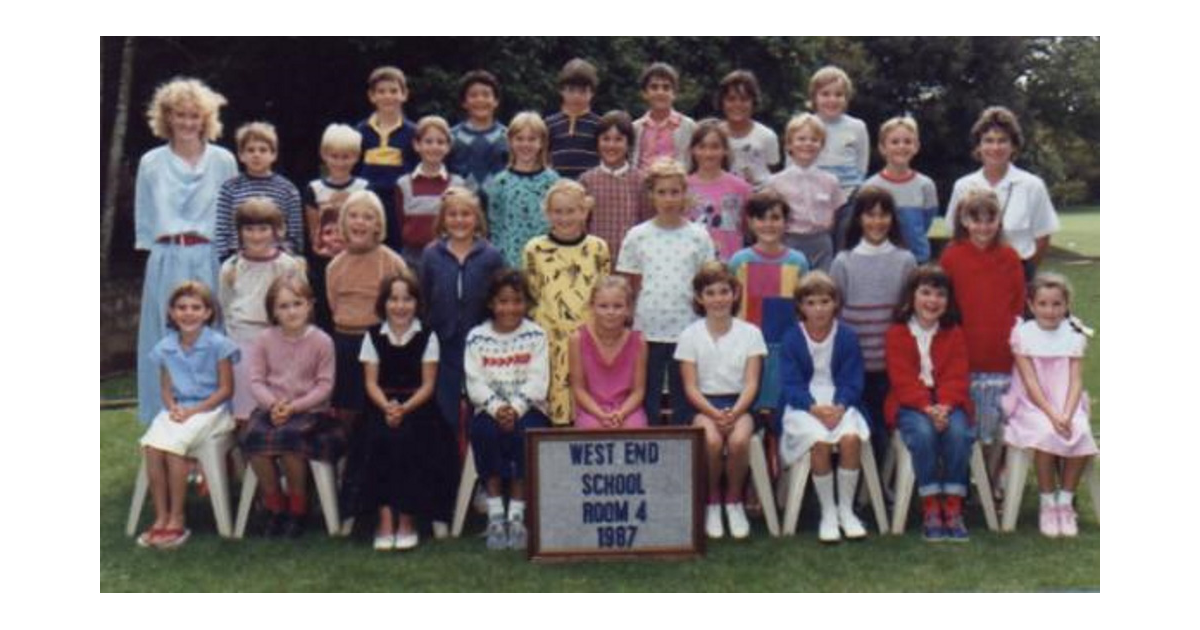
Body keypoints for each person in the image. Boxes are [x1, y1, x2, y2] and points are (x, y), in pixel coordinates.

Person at [134, 77, 238, 425]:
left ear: (205, 118)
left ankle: (215, 429)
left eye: (195, 115)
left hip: (209, 256)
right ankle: (164, 426)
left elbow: (233, 216)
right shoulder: (151, 162)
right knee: (166, 339)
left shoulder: (223, 160)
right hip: (167, 257)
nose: (188, 122)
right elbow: (146, 220)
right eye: (180, 115)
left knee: (214, 339)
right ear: (167, 117)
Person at [359, 272, 458, 550]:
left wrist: (403, 408)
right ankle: (385, 519)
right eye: (393, 299)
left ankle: (406, 519)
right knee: (379, 440)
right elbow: (370, 382)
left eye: (407, 299)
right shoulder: (372, 336)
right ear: (384, 303)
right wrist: (387, 407)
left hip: (418, 406)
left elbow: (428, 385)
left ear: (417, 303)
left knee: (410, 441)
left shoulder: (427, 336)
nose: (400, 306)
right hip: (381, 404)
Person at [136, 281, 238, 549]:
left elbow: (226, 389)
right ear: (171, 312)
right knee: (152, 448)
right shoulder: (166, 347)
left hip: (211, 411)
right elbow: (166, 388)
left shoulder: (219, 345)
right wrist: (174, 407)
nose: (188, 313)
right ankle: (161, 515)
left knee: (173, 449)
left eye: (196, 307)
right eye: (181, 307)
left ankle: (178, 518)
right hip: (179, 410)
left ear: (207, 313)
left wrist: (193, 410)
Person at [240, 275, 342, 538]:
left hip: (310, 411)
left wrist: (294, 407)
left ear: (309, 305)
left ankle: (298, 507)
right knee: (254, 439)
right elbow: (256, 379)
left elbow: (324, 386)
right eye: (283, 306)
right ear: (273, 311)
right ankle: (274, 505)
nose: (291, 311)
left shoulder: (322, 341)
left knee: (290, 441)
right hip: (271, 408)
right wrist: (274, 404)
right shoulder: (264, 339)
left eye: (297, 304)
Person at [616, 158, 717, 425]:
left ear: (685, 194)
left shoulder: (698, 236)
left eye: (675, 192)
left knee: (683, 397)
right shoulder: (638, 235)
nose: (669, 199)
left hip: (687, 328)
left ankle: (683, 456)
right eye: (662, 192)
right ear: (651, 196)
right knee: (647, 395)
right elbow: (630, 285)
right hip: (647, 328)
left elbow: (706, 283)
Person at [940, 187, 1026, 491]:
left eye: (990, 219)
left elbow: (1017, 304)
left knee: (996, 423)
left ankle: (992, 479)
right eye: (975, 219)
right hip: (965, 354)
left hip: (1001, 354)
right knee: (967, 422)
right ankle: (962, 477)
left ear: (999, 221)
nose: (983, 226)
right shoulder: (952, 257)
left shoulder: (1009, 257)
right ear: (963, 220)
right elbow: (945, 305)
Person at [1001, 273, 1098, 538]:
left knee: (1080, 431)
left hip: (1067, 402)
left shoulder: (1074, 332)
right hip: (1033, 404)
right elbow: (1030, 381)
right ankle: (1047, 502)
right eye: (1043, 304)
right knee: (1045, 433)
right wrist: (1052, 414)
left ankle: (1064, 501)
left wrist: (1066, 412)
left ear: (1066, 305)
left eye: (1057, 304)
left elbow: (1076, 379)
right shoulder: (1022, 334)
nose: (1050, 310)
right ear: (1031, 306)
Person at [778, 271, 871, 542]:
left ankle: (846, 509)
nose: (818, 309)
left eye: (824, 302)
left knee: (851, 439)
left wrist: (840, 406)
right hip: (803, 405)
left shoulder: (847, 337)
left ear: (835, 304)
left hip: (841, 401)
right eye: (811, 303)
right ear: (800, 307)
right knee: (818, 441)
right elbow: (790, 384)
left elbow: (853, 379)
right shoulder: (792, 338)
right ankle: (828, 511)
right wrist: (813, 408)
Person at [675, 262, 766, 539]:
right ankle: (712, 500)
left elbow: (752, 383)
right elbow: (690, 388)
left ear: (735, 294)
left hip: (740, 405)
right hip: (704, 406)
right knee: (712, 441)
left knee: (739, 441)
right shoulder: (690, 335)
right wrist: (715, 415)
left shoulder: (751, 333)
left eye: (724, 291)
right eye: (710, 293)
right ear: (700, 298)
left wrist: (735, 412)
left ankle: (734, 499)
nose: (718, 299)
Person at [884, 265, 974, 542]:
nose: (932, 301)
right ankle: (931, 502)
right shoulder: (897, 333)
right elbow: (902, 379)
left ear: (948, 301)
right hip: (911, 403)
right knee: (923, 433)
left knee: (959, 433)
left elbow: (957, 375)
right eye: (925, 292)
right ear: (911, 296)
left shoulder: (954, 333)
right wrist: (927, 407)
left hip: (949, 402)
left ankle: (953, 504)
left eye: (940, 294)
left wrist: (944, 406)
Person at [829, 186, 917, 466]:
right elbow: (835, 312)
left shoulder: (905, 260)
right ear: (858, 219)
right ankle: (855, 483)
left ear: (892, 219)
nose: (877, 222)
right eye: (870, 215)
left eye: (883, 215)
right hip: (855, 365)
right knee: (858, 424)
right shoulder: (843, 261)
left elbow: (909, 311)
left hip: (892, 363)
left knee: (887, 424)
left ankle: (882, 484)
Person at [464, 269, 551, 550]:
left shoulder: (536, 334)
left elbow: (539, 380)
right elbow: (474, 382)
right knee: (484, 433)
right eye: (503, 301)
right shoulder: (477, 337)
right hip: (489, 409)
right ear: (491, 303)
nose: (510, 308)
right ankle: (495, 515)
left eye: (517, 301)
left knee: (524, 436)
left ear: (525, 303)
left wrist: (514, 408)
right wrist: (497, 408)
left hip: (528, 408)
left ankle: (516, 515)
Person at [522, 180, 611, 425]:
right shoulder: (534, 249)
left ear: (584, 211)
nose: (564, 218)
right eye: (558, 212)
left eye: (571, 211)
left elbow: (604, 295)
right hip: (549, 339)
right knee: (555, 408)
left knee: (589, 404)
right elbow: (531, 295)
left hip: (588, 336)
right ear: (548, 213)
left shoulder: (597, 248)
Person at [421, 187, 506, 432]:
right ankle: (447, 461)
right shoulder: (431, 254)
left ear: (477, 219)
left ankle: (476, 461)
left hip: (480, 340)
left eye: (466, 214)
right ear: (443, 220)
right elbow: (425, 295)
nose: (459, 220)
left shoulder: (490, 255)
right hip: (443, 339)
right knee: (444, 406)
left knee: (478, 403)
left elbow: (496, 298)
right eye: (453, 214)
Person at [217, 197, 305, 422]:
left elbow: (301, 306)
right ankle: (243, 455)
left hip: (279, 344)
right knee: (243, 415)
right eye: (249, 229)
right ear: (239, 232)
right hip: (241, 343)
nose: (256, 236)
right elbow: (225, 305)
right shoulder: (230, 268)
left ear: (276, 231)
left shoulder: (287, 266)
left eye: (263, 229)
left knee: (276, 411)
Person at [946, 106, 1059, 279]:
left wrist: (1024, 272)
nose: (995, 147)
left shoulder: (1033, 185)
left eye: (1003, 140)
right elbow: (956, 234)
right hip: (972, 273)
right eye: (989, 140)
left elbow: (1042, 237)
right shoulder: (963, 186)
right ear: (979, 146)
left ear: (1013, 146)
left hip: (1018, 272)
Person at [766, 113, 846, 272]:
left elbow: (837, 214)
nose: (807, 144)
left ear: (822, 145)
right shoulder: (775, 182)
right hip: (789, 240)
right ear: (789, 144)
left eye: (814, 140)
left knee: (820, 286)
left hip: (821, 242)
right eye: (801, 139)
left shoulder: (831, 181)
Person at [213, 121, 304, 260]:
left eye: (263, 150)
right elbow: (222, 231)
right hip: (239, 262)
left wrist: (283, 257)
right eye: (250, 150)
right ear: (241, 155)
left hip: (277, 263)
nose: (256, 155)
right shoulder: (230, 188)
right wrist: (228, 259)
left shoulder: (287, 190)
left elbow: (295, 234)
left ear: (274, 154)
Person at [569, 276, 649, 430]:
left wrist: (621, 413)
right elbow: (578, 389)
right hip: (591, 409)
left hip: (628, 409)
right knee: (594, 429)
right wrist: (600, 415)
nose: (610, 312)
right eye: (603, 306)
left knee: (633, 430)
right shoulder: (577, 339)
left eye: (618, 306)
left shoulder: (638, 341)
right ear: (592, 307)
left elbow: (638, 391)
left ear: (628, 308)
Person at [482, 111, 560, 267]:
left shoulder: (553, 181)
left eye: (532, 139)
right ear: (510, 141)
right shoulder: (500, 182)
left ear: (542, 142)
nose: (526, 144)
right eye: (519, 139)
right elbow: (495, 226)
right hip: (509, 262)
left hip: (546, 262)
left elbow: (558, 222)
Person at [355, 66, 417, 251]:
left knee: (396, 248)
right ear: (372, 96)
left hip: (398, 202)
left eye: (393, 91)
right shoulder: (361, 131)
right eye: (381, 91)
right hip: (367, 199)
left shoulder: (413, 132)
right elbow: (355, 167)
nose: (387, 96)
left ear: (404, 94)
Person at [808, 65, 869, 250]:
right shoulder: (806, 124)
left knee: (844, 246)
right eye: (825, 94)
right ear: (814, 97)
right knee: (820, 248)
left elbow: (861, 163)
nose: (832, 99)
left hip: (848, 198)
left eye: (838, 94)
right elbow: (792, 162)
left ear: (846, 98)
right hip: (814, 198)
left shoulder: (857, 127)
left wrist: (853, 190)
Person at [862, 116, 939, 263]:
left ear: (916, 147)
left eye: (907, 142)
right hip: (881, 259)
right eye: (894, 142)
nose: (901, 146)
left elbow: (928, 220)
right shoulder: (870, 186)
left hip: (917, 259)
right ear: (882, 148)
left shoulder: (926, 185)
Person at [395, 115, 465, 268]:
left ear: (448, 147)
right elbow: (401, 221)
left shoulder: (457, 184)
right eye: (428, 141)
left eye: (440, 142)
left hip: (447, 256)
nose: (434, 147)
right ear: (416, 145)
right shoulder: (404, 184)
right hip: (412, 258)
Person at [687, 119, 753, 261]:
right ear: (692, 150)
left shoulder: (741, 188)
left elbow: (747, 228)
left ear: (725, 150)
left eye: (715, 147)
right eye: (702, 147)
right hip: (691, 263)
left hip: (729, 263)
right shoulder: (682, 187)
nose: (708, 153)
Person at [717, 69, 780, 190]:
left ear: (753, 102)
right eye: (731, 99)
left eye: (744, 99)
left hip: (759, 199)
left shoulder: (767, 136)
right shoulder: (714, 135)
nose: (737, 104)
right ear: (722, 102)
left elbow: (774, 172)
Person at [449, 70, 508, 192]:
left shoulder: (508, 136)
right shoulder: (451, 137)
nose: (480, 100)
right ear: (464, 103)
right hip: (461, 205)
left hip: (498, 204)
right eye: (473, 95)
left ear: (496, 101)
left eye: (486, 95)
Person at [633, 62, 698, 170]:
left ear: (675, 93)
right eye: (654, 87)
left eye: (666, 87)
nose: (660, 92)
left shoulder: (689, 126)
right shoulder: (635, 128)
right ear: (644, 93)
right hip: (642, 185)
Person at [546, 58, 602, 180]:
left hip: (589, 189)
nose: (576, 96)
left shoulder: (600, 125)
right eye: (571, 90)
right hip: (558, 187)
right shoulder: (549, 124)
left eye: (583, 91)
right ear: (561, 90)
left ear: (592, 93)